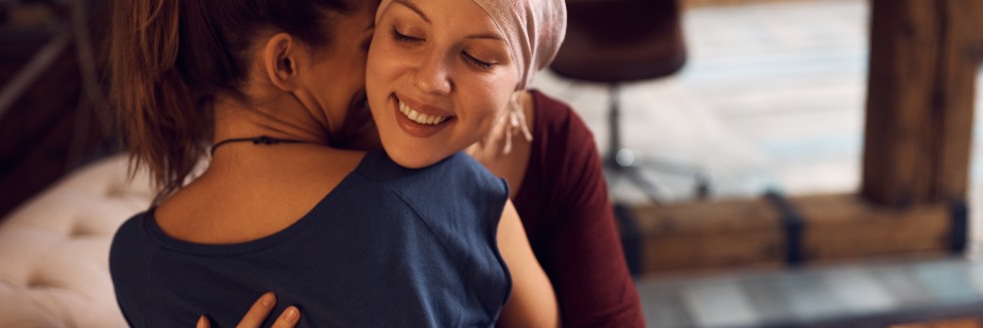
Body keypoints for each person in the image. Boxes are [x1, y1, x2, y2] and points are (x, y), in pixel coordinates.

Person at [106, 0, 558, 326]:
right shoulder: (445, 193)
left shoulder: (136, 258)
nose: (418, 81)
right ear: (285, 62)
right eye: (381, 40)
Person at [220, 0, 646, 326]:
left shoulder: (555, 143)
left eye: (479, 58)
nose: (429, 81)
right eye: (405, 34)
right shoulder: (318, 150)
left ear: (520, 80)